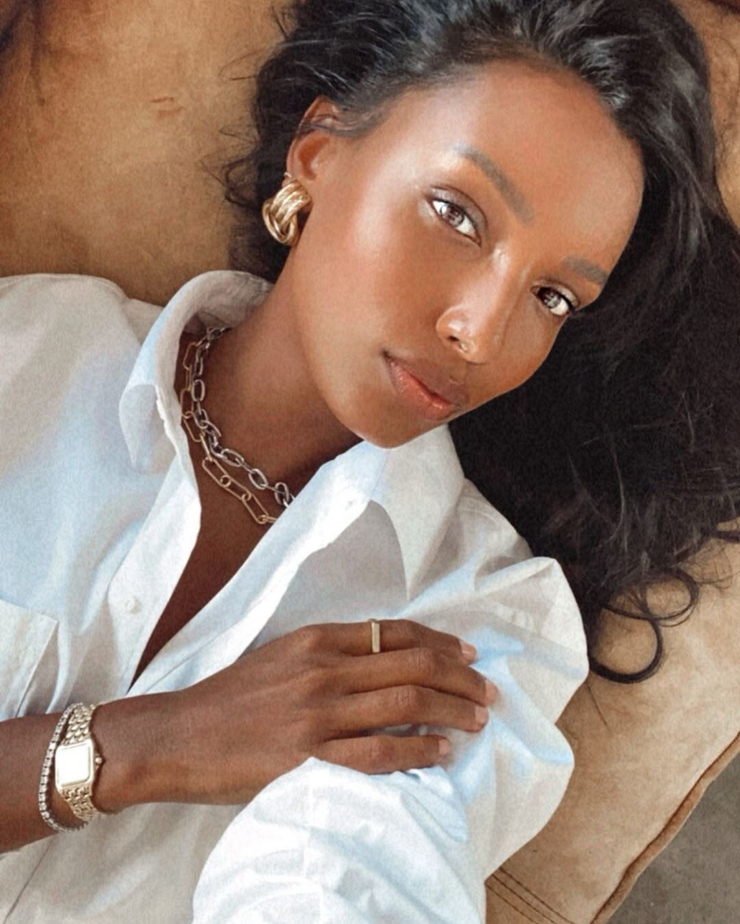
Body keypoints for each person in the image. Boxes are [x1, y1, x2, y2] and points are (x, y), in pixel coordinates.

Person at [1, 0, 738, 921]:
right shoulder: (25, 355)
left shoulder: (482, 615)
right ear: (318, 154)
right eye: (456, 214)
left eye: (551, 296)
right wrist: (145, 746)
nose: (479, 333)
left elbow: (363, 875)